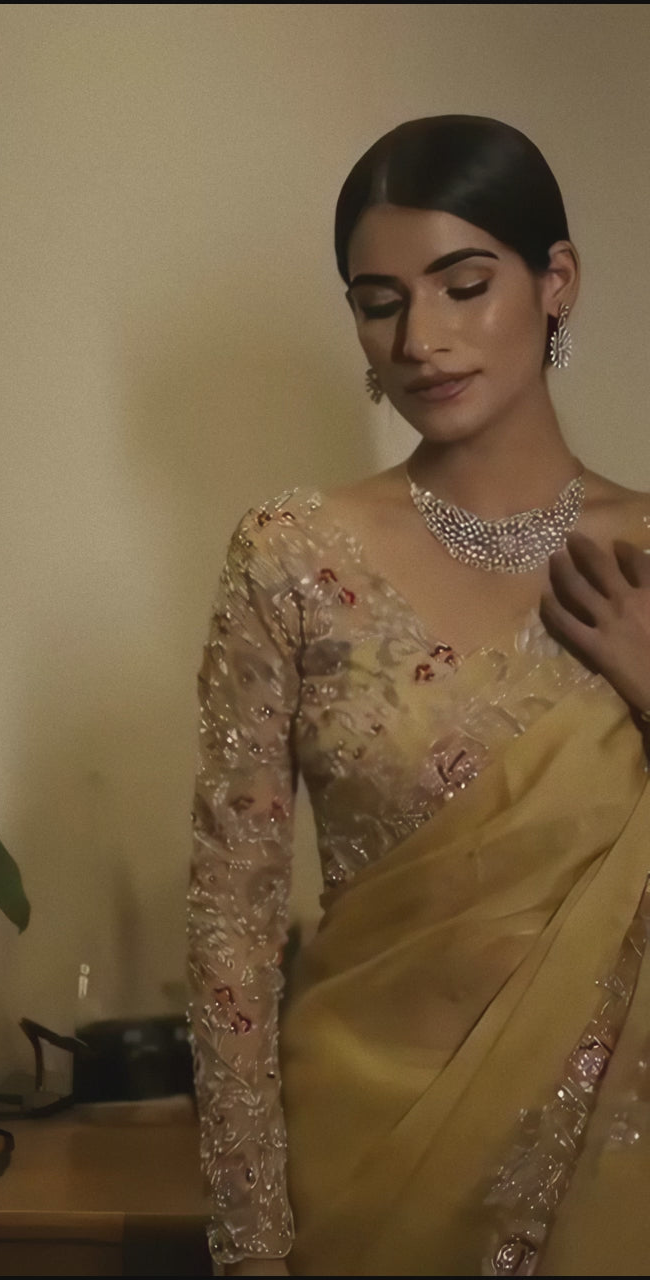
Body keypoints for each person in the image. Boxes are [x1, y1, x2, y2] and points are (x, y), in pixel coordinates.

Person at [186, 115, 650, 1277]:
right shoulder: (292, 557)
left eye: (464, 285)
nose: (421, 339)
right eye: (379, 301)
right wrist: (252, 1243)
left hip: (616, 1177)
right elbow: (231, 931)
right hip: (363, 1176)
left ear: (556, 280)